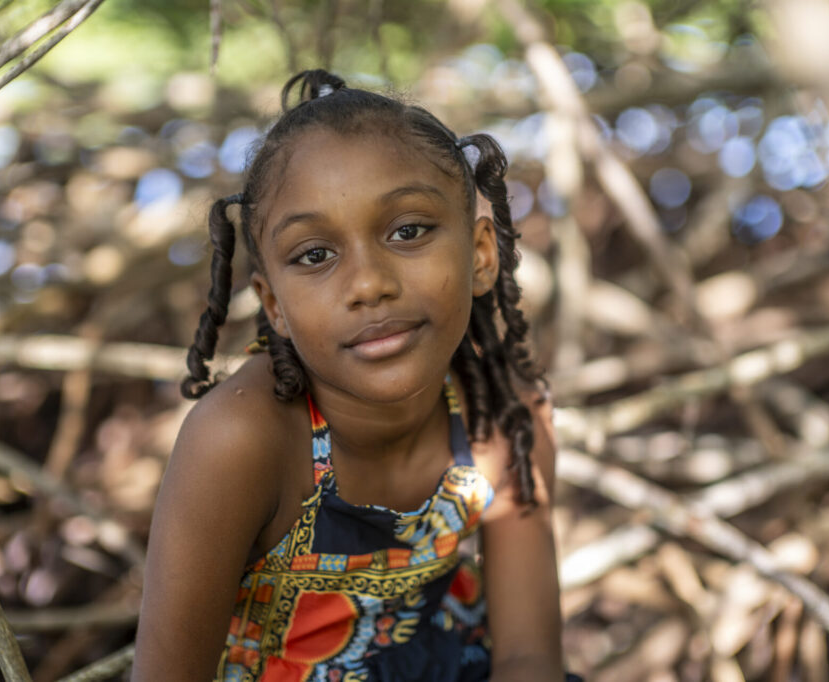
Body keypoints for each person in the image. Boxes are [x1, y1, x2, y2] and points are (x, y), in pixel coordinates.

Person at [133, 69, 570, 682]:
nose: (368, 284)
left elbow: (529, 659)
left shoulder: (506, 417)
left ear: (480, 254)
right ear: (275, 305)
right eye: (315, 255)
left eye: (408, 231)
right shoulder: (240, 439)